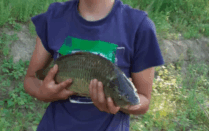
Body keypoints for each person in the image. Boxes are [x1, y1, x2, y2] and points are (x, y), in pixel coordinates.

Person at [23, 0, 164, 130]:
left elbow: (143, 101)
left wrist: (120, 103)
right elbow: (31, 79)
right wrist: (43, 93)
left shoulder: (139, 26)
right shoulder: (54, 17)